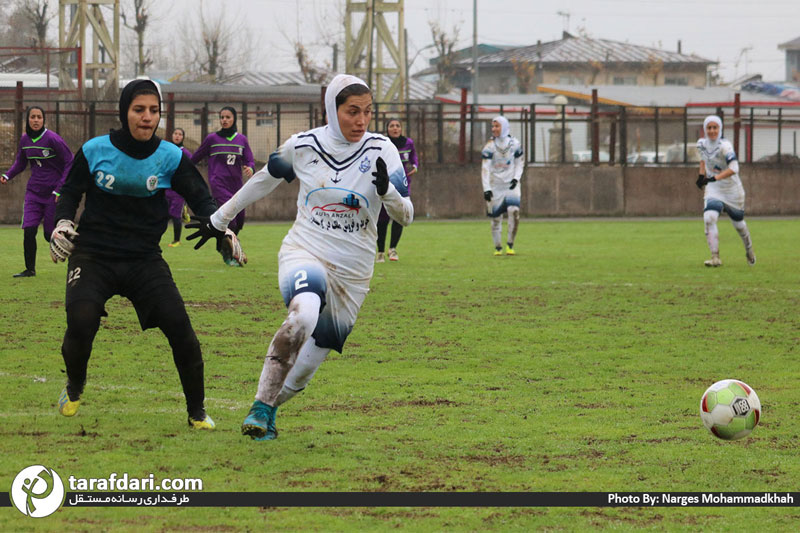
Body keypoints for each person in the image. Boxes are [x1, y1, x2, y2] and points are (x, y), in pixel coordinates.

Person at [187, 74, 413, 441]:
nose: (361, 120)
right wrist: (219, 218)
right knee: (304, 312)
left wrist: (387, 190)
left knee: (306, 368)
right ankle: (259, 407)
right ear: (332, 109)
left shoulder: (382, 150)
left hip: (354, 273)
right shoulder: (304, 145)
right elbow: (264, 178)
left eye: (367, 112)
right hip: (305, 250)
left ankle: (270, 410)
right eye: (352, 111)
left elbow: (406, 215)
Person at [50, 79, 243, 430]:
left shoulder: (170, 156)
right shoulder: (95, 149)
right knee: (81, 321)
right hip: (94, 254)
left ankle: (197, 412)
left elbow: (201, 198)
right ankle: (75, 386)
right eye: (139, 109)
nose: (147, 117)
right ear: (125, 112)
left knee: (181, 329)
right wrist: (62, 221)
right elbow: (70, 191)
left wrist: (223, 226)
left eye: (154, 111)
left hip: (144, 259)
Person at [1, 106, 74, 277]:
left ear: (43, 120)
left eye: (39, 117)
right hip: (33, 192)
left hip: (52, 194)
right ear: (28, 119)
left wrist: (59, 190)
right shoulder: (25, 140)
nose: (35, 120)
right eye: (32, 117)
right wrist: (7, 175)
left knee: (50, 235)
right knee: (29, 230)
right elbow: (20, 162)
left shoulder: (52, 139)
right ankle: (30, 269)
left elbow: (70, 161)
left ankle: (77, 253)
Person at [190, 106, 254, 265]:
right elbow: (195, 157)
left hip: (237, 186)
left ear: (234, 119)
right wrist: (183, 167)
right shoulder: (212, 139)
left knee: (239, 221)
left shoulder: (242, 140)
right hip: (218, 183)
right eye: (222, 117)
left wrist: (250, 168)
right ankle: (229, 253)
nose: (224, 120)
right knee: (229, 220)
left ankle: (223, 246)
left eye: (228, 117)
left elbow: (249, 160)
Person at [695, 115, 756, 267]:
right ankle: (715, 257)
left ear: (720, 129)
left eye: (715, 127)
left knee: (739, 225)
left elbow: (734, 168)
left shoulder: (725, 146)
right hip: (714, 189)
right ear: (705, 129)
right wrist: (701, 176)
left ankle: (749, 249)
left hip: (732, 190)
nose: (712, 130)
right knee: (709, 217)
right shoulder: (701, 144)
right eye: (709, 127)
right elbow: (703, 159)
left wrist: (715, 178)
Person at [376, 118, 417, 262]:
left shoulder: (408, 143)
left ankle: (392, 249)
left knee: (400, 216)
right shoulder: (383, 144)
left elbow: (414, 158)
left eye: (397, 125)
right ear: (387, 129)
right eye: (391, 126)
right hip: (385, 184)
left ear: (401, 128)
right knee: (382, 219)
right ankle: (380, 251)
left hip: (402, 185)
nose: (395, 128)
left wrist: (415, 166)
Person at [481, 115, 523, 256]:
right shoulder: (490, 146)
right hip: (495, 185)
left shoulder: (514, 144)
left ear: (504, 127)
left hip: (510, 184)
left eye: (497, 126)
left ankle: (510, 244)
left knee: (514, 211)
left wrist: (516, 179)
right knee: (496, 218)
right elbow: (485, 168)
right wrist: (486, 188)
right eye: (493, 126)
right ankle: (498, 247)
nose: (494, 129)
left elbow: (519, 163)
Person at [164, 128, 191, 247]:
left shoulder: (186, 153)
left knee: (175, 215)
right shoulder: (167, 150)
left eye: (180, 134)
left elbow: (191, 170)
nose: (177, 136)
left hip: (178, 190)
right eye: (175, 133)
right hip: (166, 188)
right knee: (162, 214)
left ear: (183, 137)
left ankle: (176, 240)